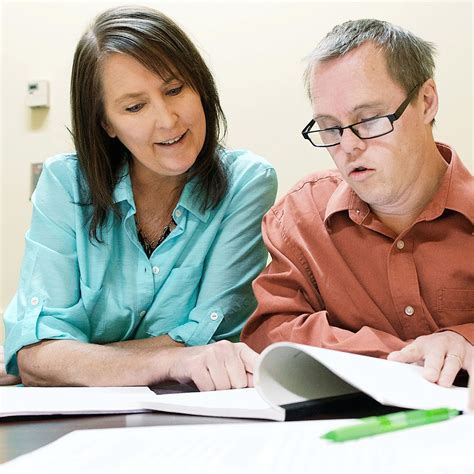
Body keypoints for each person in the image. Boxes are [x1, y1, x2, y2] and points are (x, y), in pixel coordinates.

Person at [3, 6, 277, 390]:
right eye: (134, 107)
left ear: (199, 86)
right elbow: (37, 359)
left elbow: (211, 338)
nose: (167, 120)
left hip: (191, 413)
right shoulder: (64, 184)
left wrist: (70, 358)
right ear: (106, 123)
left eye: (175, 89)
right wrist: (172, 357)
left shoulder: (247, 182)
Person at [242, 19, 473, 388]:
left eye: (369, 119)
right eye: (330, 128)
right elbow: (270, 335)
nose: (348, 146)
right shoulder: (302, 217)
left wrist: (465, 339)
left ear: (426, 101)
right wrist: (401, 357)